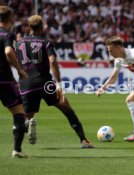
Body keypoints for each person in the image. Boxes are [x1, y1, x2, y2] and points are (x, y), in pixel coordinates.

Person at [15, 15, 94, 148]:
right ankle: (83, 140)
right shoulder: (47, 43)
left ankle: (21, 139)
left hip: (26, 82)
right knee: (66, 108)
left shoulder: (18, 43)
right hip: (45, 82)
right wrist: (59, 84)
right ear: (42, 27)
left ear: (29, 27)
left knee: (26, 115)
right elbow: (52, 61)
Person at [0, 6, 29, 158]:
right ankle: (17, 150)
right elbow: (8, 51)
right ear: (10, 19)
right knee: (19, 113)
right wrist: (19, 69)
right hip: (3, 79)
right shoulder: (7, 34)